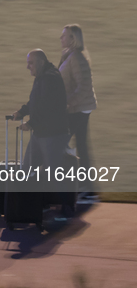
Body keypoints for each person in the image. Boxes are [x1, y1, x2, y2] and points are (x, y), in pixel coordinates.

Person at [59, 24, 98, 203]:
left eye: (64, 36)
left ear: (73, 39)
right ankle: (86, 188)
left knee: (59, 143)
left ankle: (77, 187)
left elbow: (83, 87)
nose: (61, 38)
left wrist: (67, 103)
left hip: (78, 109)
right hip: (77, 108)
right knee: (79, 146)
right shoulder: (70, 55)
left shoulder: (76, 57)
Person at [12, 49, 69, 173]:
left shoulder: (50, 78)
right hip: (40, 134)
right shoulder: (42, 76)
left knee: (52, 176)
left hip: (53, 135)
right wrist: (22, 112)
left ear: (41, 62)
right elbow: (35, 101)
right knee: (26, 170)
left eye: (31, 63)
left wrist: (31, 124)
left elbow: (46, 107)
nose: (28, 67)